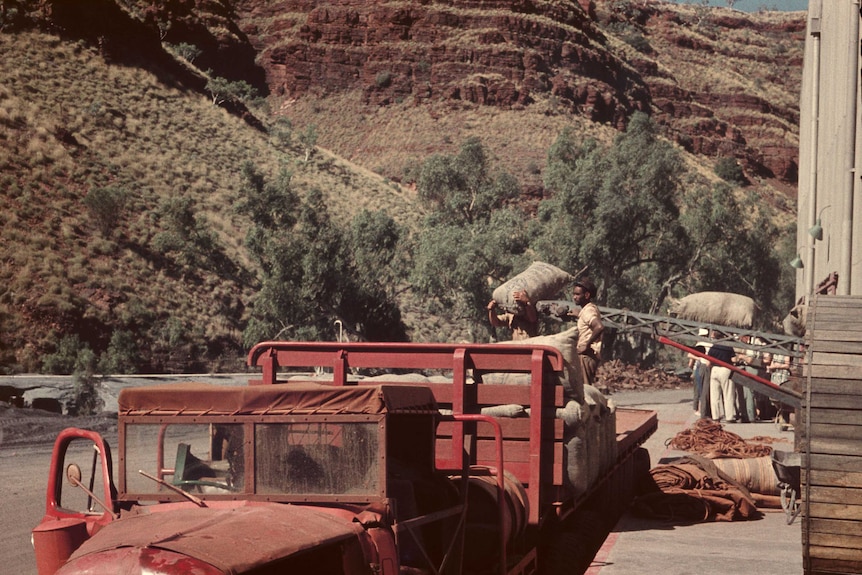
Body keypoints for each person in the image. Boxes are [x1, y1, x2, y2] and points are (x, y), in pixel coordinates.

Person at [571, 278, 604, 385]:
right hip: (586, 355)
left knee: (585, 389)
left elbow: (599, 327)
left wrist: (586, 344)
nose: (574, 297)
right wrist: (579, 315)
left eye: (577, 294)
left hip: (587, 355)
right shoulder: (586, 310)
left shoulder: (589, 310)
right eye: (574, 294)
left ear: (586, 295)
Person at [707, 330, 738, 422]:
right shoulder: (727, 347)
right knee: (728, 394)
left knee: (714, 395)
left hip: (715, 370)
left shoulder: (713, 347)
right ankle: (729, 416)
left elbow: (708, 363)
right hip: (725, 369)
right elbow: (734, 359)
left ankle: (715, 416)